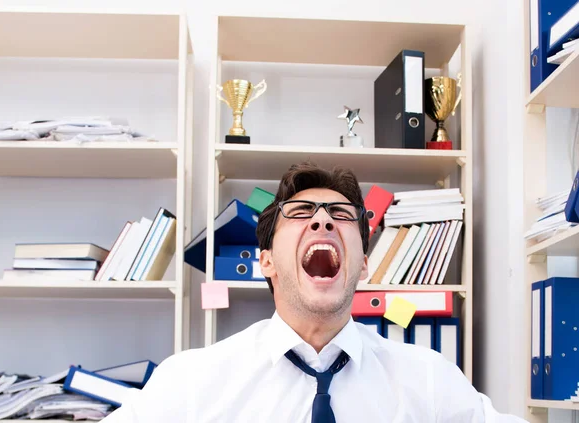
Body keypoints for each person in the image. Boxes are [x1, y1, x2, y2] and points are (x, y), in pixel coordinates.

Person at [102, 162, 527, 422]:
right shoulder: (191, 381)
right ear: (265, 260)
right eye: (301, 213)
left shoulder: (430, 380)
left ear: (363, 264)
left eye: (341, 215)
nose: (323, 222)